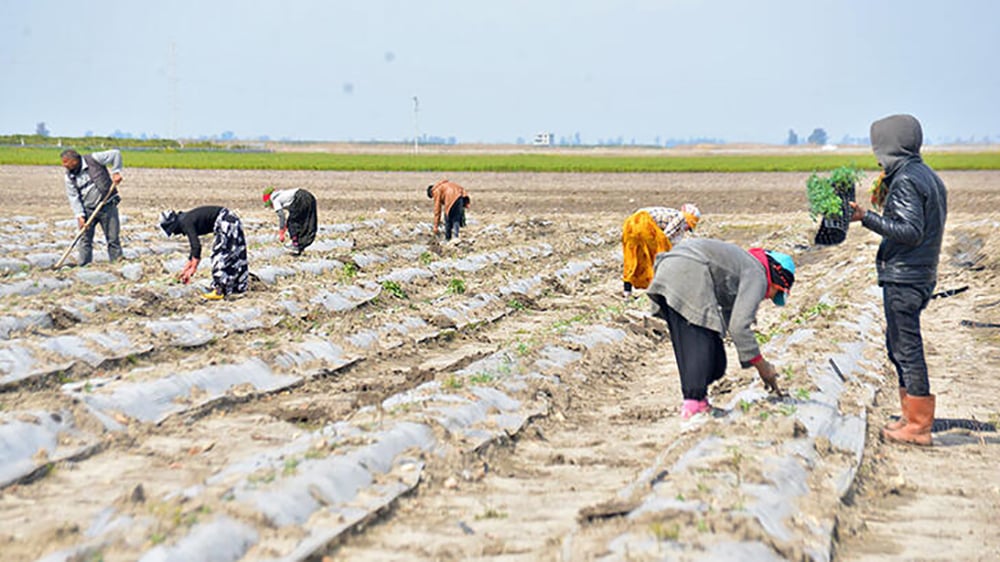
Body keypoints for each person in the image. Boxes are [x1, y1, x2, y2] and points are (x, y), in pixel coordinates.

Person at [849, 114, 947, 446]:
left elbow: (909, 231)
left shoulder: (906, 179)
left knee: (906, 347)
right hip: (919, 273)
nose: (876, 154)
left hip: (906, 276)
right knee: (898, 346)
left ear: (890, 145)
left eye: (879, 146)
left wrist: (866, 218)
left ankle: (918, 425)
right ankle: (910, 416)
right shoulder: (925, 175)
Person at [645, 238, 795, 418]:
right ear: (775, 278)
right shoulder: (758, 274)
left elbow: (730, 317)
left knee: (713, 357)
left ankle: (698, 401)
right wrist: (763, 367)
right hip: (689, 271)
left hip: (668, 268)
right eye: (775, 293)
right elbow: (739, 327)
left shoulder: (742, 263)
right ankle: (693, 407)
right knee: (697, 343)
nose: (768, 298)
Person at [159, 206, 249, 300]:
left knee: (220, 255)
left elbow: (196, 247)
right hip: (231, 219)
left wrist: (192, 269)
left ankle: (219, 290)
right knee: (234, 253)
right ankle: (237, 287)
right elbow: (193, 251)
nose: (175, 233)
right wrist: (186, 270)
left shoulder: (185, 222)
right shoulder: (185, 218)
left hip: (225, 221)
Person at [622, 204, 700, 298]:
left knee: (632, 257)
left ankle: (627, 292)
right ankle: (658, 290)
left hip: (631, 224)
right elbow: (665, 238)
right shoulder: (681, 218)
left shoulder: (672, 216)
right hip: (644, 223)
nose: (687, 229)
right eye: (689, 225)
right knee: (657, 258)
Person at [61, 148, 124, 266]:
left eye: (66, 162)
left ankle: (117, 265)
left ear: (74, 161)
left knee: (113, 239)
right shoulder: (69, 176)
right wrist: (79, 215)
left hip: (107, 205)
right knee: (84, 240)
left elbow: (116, 154)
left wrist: (116, 172)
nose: (64, 166)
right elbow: (73, 197)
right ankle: (84, 265)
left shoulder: (94, 159)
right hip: (87, 209)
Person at [262, 187, 318, 255]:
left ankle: (295, 244)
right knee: (305, 222)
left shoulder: (275, 200)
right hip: (309, 196)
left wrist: (281, 232)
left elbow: (282, 216)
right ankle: (301, 245)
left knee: (292, 223)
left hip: (300, 198)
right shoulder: (281, 195)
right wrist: (285, 226)